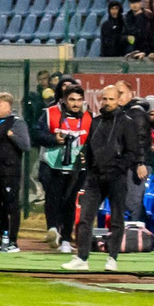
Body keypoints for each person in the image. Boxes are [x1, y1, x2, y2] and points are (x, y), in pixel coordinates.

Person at [66, 82, 150, 272]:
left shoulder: (127, 122)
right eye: (104, 98)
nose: (107, 102)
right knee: (86, 218)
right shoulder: (96, 121)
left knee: (116, 219)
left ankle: (112, 258)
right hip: (95, 177)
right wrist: (86, 164)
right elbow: (88, 146)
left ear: (119, 100)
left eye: (111, 99)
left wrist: (118, 167)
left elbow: (133, 151)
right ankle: (82, 258)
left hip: (116, 178)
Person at [39, 80, 90, 253]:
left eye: (79, 100)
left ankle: (66, 240)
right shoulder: (49, 113)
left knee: (70, 203)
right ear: (64, 101)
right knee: (53, 197)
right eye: (72, 100)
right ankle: (53, 229)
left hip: (77, 167)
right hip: (52, 164)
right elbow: (36, 134)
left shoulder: (89, 117)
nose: (76, 104)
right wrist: (55, 139)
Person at [0, 93, 30, 251]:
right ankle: (3, 239)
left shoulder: (16, 123)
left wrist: (12, 136)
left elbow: (26, 145)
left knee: (12, 206)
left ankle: (13, 242)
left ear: (8, 106)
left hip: (10, 173)